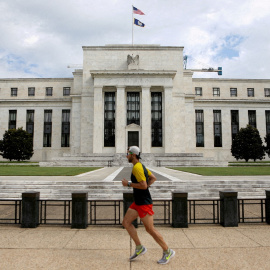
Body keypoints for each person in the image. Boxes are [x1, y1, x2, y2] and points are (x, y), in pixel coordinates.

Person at [122, 146, 175, 265]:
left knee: (150, 229)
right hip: (138, 202)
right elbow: (153, 178)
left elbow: (144, 185)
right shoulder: (141, 166)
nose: (126, 156)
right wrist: (143, 189)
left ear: (133, 155)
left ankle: (167, 251)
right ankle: (139, 247)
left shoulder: (137, 168)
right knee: (126, 222)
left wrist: (129, 184)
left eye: (127, 154)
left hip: (144, 203)